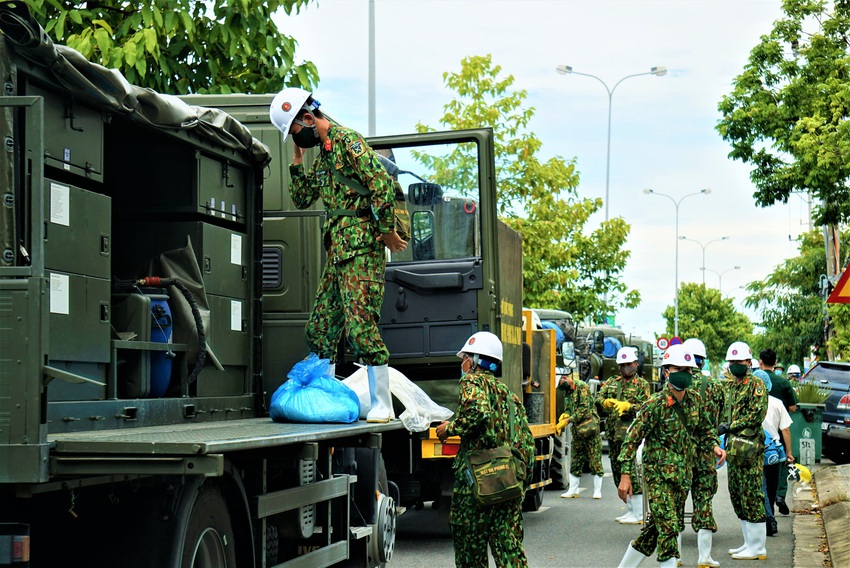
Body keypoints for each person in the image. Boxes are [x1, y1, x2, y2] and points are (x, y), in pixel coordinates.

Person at [269, 88, 407, 422]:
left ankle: (382, 404)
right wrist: (297, 159)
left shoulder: (348, 142)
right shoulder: (324, 156)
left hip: (362, 250)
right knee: (320, 328)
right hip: (338, 253)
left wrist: (386, 230)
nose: (295, 138)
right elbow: (302, 198)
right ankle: (326, 396)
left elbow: (381, 185)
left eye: (294, 132)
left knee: (361, 328)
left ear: (307, 118)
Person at [615, 344, 726, 568]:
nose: (684, 374)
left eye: (688, 370)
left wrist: (715, 446)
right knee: (668, 529)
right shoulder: (654, 405)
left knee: (652, 532)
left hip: (681, 479)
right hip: (658, 478)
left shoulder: (695, 400)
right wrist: (625, 476)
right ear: (667, 371)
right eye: (678, 369)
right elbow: (631, 441)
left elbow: (704, 430)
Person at [435, 332, 534, 568]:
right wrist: (519, 482)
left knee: (470, 552)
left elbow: (478, 413)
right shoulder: (510, 397)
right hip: (506, 482)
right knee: (509, 551)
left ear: (475, 361)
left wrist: (450, 428)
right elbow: (526, 443)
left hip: (475, 487)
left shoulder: (472, 382)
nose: (463, 363)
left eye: (465, 358)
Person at [719, 341, 769, 560]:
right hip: (733, 449)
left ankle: (758, 547)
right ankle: (748, 542)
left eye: (739, 361)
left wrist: (730, 426)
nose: (735, 365)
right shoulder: (731, 386)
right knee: (737, 495)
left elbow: (757, 415)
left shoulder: (756, 384)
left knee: (751, 495)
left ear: (749, 362)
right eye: (732, 362)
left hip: (749, 449)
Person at [597, 346, 653, 524]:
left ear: (636, 364)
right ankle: (630, 509)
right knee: (617, 472)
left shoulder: (642, 385)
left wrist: (629, 407)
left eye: (628, 364)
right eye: (621, 365)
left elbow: (646, 407)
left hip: (631, 437)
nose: (624, 368)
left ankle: (638, 512)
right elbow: (598, 398)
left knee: (631, 474)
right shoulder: (612, 382)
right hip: (614, 435)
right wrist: (604, 402)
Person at [682, 337, 725, 567]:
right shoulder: (716, 387)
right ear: (703, 360)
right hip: (707, 452)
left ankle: (674, 558)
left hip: (679, 455)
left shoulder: (677, 385)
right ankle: (704, 558)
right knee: (704, 502)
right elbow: (720, 420)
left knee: (676, 504)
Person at [753, 369, 795, 537]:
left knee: (761, 487)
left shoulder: (750, 402)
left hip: (756, 450)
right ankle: (769, 517)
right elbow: (785, 430)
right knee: (771, 487)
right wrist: (789, 453)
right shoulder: (777, 403)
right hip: (775, 452)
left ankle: (769, 519)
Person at [759, 348, 797, 515]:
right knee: (778, 469)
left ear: (760, 362)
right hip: (777, 437)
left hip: (756, 441)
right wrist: (789, 452)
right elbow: (793, 407)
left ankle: (766, 513)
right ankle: (779, 496)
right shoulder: (783, 383)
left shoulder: (752, 386)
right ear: (775, 363)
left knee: (761, 480)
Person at [557, 371, 604, 499]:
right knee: (576, 459)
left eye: (562, 384)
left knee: (595, 460)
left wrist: (568, 420)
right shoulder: (567, 392)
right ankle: (573, 489)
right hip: (577, 430)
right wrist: (565, 414)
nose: (562, 388)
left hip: (590, 428)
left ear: (566, 378)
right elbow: (568, 408)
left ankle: (597, 490)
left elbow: (584, 409)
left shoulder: (582, 387)